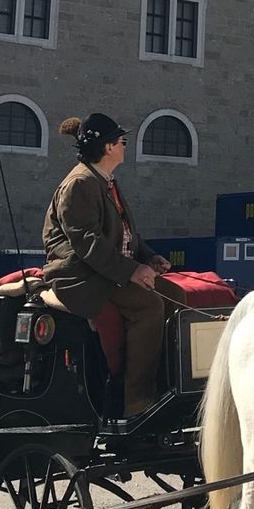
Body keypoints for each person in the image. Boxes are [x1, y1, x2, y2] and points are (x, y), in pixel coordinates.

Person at [42, 113, 171, 418]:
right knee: (150, 306)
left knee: (175, 295)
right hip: (82, 275)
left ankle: (169, 384)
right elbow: (87, 242)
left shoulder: (103, 181)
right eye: (121, 141)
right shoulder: (80, 184)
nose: (125, 145)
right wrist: (132, 271)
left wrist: (148, 258)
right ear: (108, 147)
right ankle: (136, 400)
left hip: (107, 270)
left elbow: (125, 234)